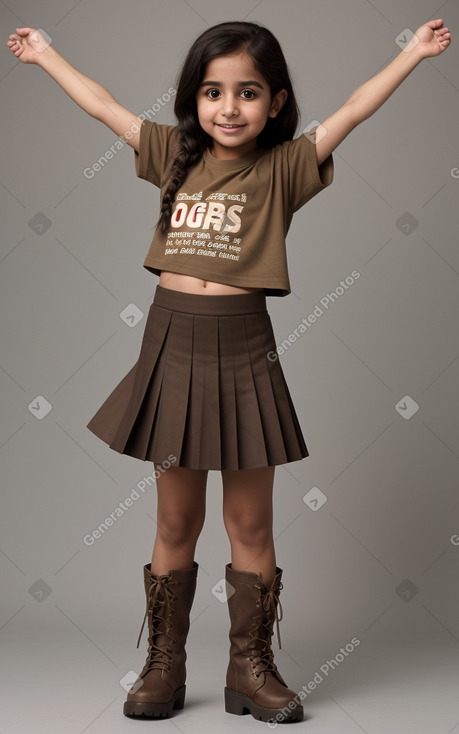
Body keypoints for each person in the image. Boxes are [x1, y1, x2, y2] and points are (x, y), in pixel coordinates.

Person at [7, 17, 451, 724]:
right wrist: (45, 54)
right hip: (171, 345)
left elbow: (355, 110)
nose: (229, 107)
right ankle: (163, 666)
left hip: (245, 346)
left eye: (247, 93)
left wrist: (413, 54)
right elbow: (101, 104)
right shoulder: (173, 153)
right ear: (194, 98)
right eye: (213, 92)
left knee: (250, 521)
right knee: (175, 518)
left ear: (274, 101)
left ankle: (251, 669)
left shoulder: (285, 168)